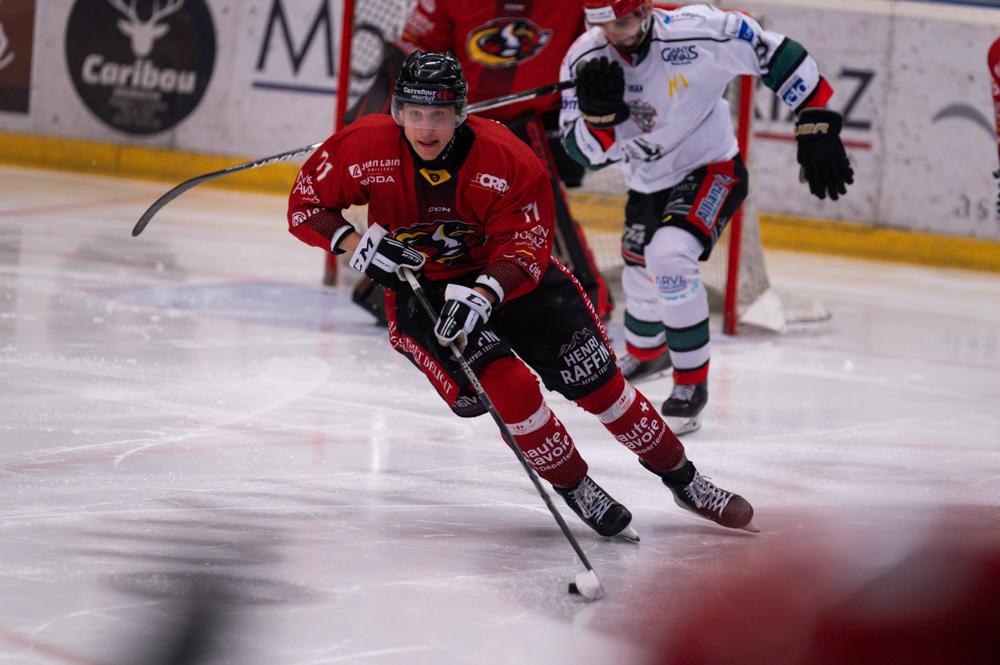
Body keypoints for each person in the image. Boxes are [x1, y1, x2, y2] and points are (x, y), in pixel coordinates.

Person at [287, 50, 757, 540]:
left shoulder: (506, 156)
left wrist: (486, 292)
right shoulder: (363, 146)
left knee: (602, 388)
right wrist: (355, 242)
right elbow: (305, 208)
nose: (427, 128)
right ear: (397, 111)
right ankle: (576, 486)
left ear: (461, 114)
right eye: (416, 114)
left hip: (512, 281)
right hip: (422, 289)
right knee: (508, 386)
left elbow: (528, 246)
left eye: (440, 115)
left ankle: (685, 480)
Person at [559, 1, 854, 434]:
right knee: (639, 266)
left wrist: (816, 119)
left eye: (620, 22)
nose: (611, 35)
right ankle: (647, 352)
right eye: (599, 23)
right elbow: (580, 154)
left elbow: (777, 52)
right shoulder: (584, 56)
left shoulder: (697, 31)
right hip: (647, 181)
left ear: (644, 11)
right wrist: (600, 121)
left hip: (712, 167)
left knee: (669, 255)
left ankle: (689, 385)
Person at [344, 0, 613, 322]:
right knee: (434, 215)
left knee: (539, 216)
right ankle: (398, 294)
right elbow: (416, 50)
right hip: (457, 126)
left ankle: (582, 302)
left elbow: (599, 45)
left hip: (532, 125)